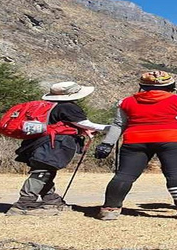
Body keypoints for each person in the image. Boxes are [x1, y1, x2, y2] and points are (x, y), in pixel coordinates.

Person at [94, 70, 177, 220]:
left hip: (136, 140)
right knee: (176, 175)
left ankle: (110, 209)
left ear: (142, 86)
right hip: (173, 139)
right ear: (172, 85)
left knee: (124, 175)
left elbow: (119, 124)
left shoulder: (125, 102)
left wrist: (107, 144)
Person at [7, 81, 107, 216]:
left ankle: (50, 200)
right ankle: (24, 204)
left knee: (47, 170)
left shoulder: (51, 106)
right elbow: (85, 124)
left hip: (38, 142)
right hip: (53, 144)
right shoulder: (68, 107)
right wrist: (111, 128)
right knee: (43, 171)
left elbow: (63, 125)